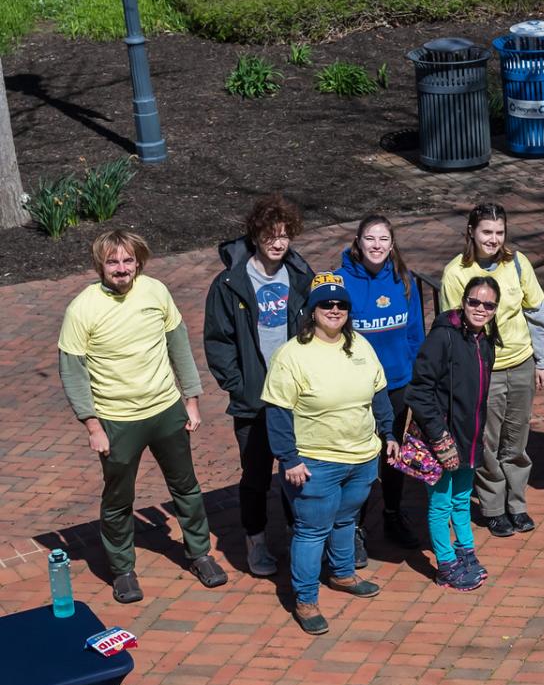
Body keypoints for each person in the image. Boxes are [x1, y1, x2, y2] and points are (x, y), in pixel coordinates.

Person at [59, 230, 225, 604]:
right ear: (101, 265)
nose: (121, 268)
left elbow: (178, 343)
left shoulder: (156, 291)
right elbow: (72, 371)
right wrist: (92, 425)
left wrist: (192, 399)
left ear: (139, 262)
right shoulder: (82, 308)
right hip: (116, 420)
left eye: (128, 260)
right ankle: (122, 570)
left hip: (166, 410)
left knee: (186, 488)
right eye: (113, 261)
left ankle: (200, 553)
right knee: (118, 500)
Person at [261, 271, 399, 636]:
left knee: (345, 519)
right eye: (326, 303)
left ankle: (341, 574)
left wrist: (388, 433)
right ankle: (305, 599)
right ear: (312, 309)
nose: (334, 309)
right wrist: (288, 458)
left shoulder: (361, 346)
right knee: (311, 530)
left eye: (341, 304)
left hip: (362, 456)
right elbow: (277, 413)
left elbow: (379, 393)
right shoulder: (291, 356)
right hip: (316, 461)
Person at [205, 194, 314, 577]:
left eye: (285, 235)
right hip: (253, 400)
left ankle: (297, 535)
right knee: (255, 477)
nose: (278, 243)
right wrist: (238, 384)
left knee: (296, 471)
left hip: (295, 397)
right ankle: (256, 543)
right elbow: (217, 341)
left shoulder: (300, 277)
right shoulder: (230, 284)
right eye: (271, 235)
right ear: (256, 235)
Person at [440, 204, 544, 537]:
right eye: (487, 232)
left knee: (516, 439)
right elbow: (452, 329)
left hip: (520, 363)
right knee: (487, 442)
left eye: (499, 232)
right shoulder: (455, 273)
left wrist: (542, 359)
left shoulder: (517, 264)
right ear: (472, 232)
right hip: (482, 370)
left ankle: (516, 503)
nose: (493, 239)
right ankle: (492, 506)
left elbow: (536, 312)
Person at [339, 215, 426, 564]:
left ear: (392, 244)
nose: (377, 245)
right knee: (360, 458)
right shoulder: (342, 281)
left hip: (397, 385)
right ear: (358, 242)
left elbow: (415, 334)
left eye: (384, 239)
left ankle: (392, 512)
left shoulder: (403, 280)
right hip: (358, 389)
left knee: (393, 455)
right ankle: (355, 528)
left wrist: (417, 374)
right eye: (370, 238)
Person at [407, 276, 499, 592]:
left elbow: (478, 397)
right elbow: (419, 391)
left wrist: (479, 432)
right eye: (474, 301)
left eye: (488, 304)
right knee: (441, 503)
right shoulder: (443, 337)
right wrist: (439, 437)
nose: (480, 309)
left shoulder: (484, 341)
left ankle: (466, 552)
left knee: (461, 499)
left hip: (470, 437)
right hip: (443, 439)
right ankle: (445, 564)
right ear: (463, 301)